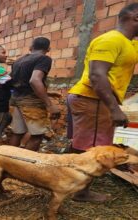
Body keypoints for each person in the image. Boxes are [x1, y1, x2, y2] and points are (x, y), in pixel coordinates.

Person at [67, 2, 138, 202]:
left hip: (98, 101)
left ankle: (67, 179)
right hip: (94, 99)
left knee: (85, 144)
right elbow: (97, 76)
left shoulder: (129, 42)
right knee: (91, 148)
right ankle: (79, 192)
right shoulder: (110, 40)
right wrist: (115, 109)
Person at [9, 37, 61, 151]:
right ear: (48, 48)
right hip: (31, 102)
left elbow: (13, 81)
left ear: (30, 48)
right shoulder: (44, 58)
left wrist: (48, 93)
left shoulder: (18, 61)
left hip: (15, 100)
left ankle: (7, 163)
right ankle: (26, 165)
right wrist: (49, 105)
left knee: (17, 133)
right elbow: (34, 80)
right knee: (37, 136)